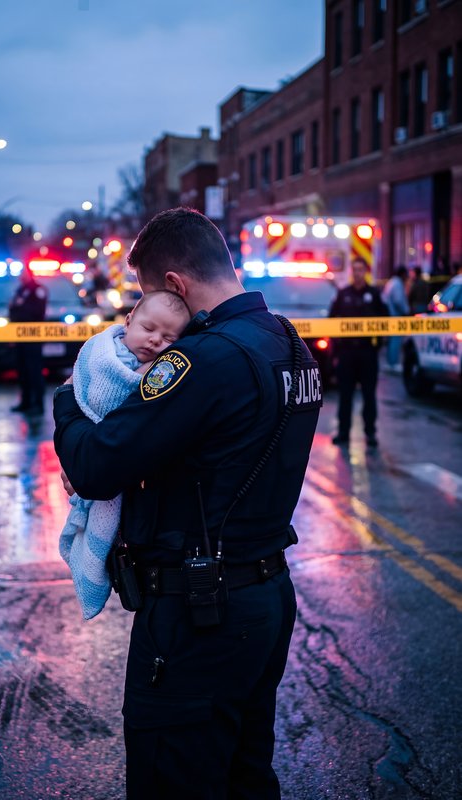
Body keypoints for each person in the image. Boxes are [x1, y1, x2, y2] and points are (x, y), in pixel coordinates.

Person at [54, 208, 322, 799]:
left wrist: (68, 400)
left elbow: (96, 464)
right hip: (265, 594)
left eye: (151, 294)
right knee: (244, 777)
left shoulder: (200, 360)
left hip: (198, 612)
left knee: (173, 783)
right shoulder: (290, 342)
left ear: (175, 284)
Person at [59, 290, 191, 620]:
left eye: (168, 337)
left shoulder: (162, 371)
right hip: (92, 443)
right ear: (129, 320)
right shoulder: (102, 350)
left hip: (108, 461)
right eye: (148, 329)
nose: (155, 341)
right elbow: (88, 386)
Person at [329, 257, 388, 448]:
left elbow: (385, 322)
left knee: (369, 395)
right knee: (345, 395)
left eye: (360, 269)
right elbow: (331, 321)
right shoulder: (343, 294)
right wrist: (337, 350)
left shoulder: (374, 295)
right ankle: (343, 432)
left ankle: (370, 433)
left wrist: (376, 346)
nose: (357, 273)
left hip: (367, 354)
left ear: (366, 271)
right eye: (354, 269)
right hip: (347, 353)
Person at [9, 265, 47, 416]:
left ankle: (38, 404)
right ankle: (25, 402)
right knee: (22, 370)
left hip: (33, 337)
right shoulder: (21, 289)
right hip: (20, 336)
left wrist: (20, 307)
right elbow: (12, 307)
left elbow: (37, 312)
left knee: (34, 370)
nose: (20, 276)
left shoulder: (37, 290)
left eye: (23, 274)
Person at [381, 265, 410, 367]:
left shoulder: (391, 282)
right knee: (396, 339)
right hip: (395, 315)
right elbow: (398, 300)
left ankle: (391, 361)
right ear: (402, 274)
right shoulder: (397, 284)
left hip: (390, 314)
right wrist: (406, 310)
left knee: (392, 339)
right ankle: (393, 362)